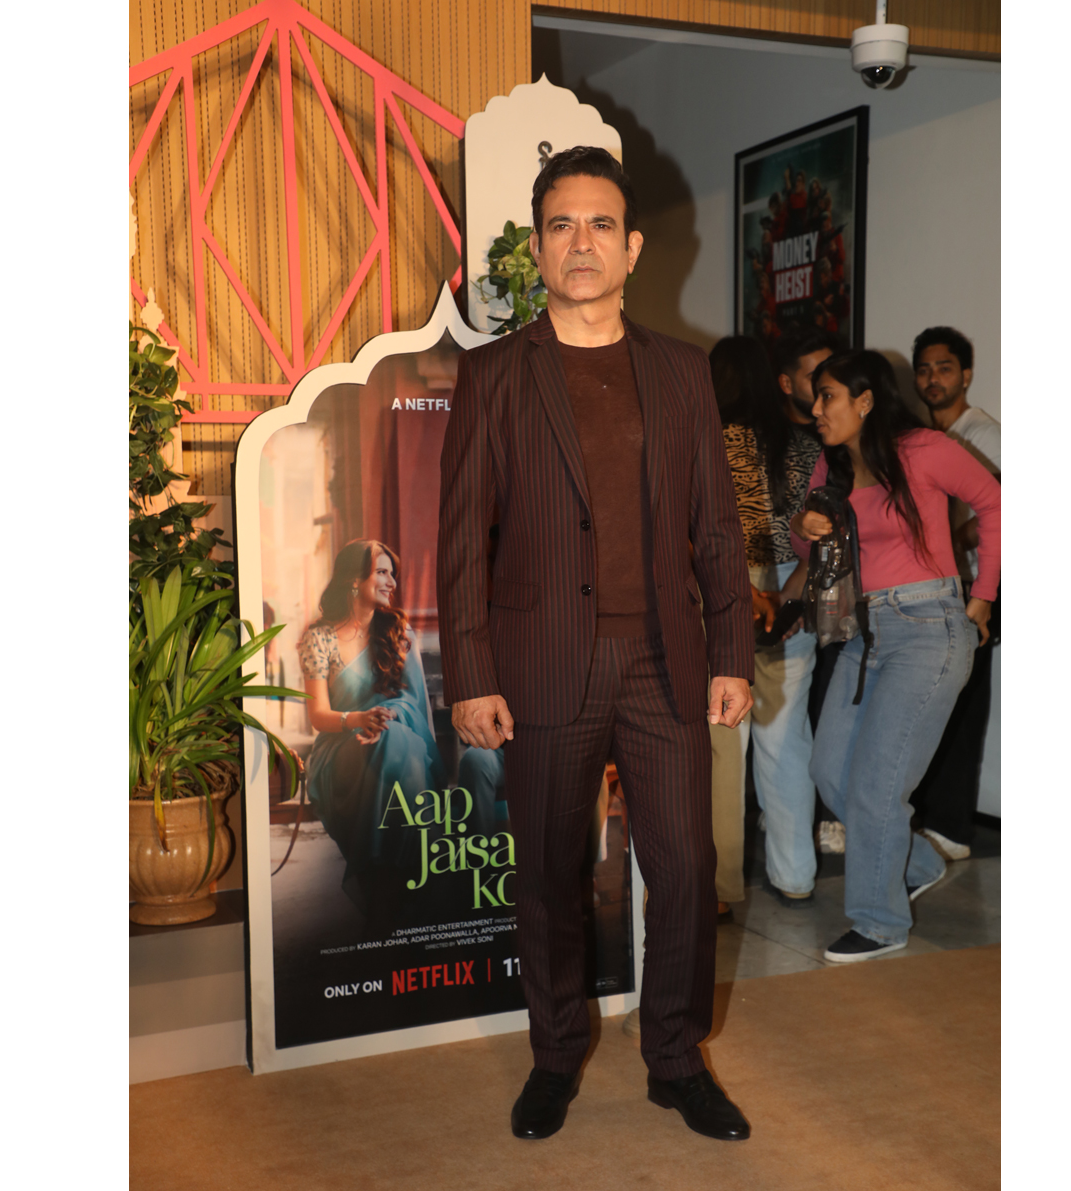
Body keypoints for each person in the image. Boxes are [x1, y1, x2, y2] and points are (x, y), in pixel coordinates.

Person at [438, 146, 755, 1142]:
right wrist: (471, 672)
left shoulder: (682, 371)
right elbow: (462, 540)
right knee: (547, 876)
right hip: (542, 665)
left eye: (601, 224)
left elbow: (715, 526)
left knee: (686, 869)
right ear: (538, 248)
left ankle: (676, 1061)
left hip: (666, 663)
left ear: (633, 248)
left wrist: (732, 653)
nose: (582, 242)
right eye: (562, 225)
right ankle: (554, 1055)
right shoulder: (494, 375)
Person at [793, 351, 1000, 963]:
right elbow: (816, 559)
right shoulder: (829, 468)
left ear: (864, 400)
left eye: (827, 395)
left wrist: (983, 596)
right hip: (863, 633)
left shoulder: (923, 449)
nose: (815, 408)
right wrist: (807, 531)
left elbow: (998, 504)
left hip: (926, 626)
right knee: (830, 772)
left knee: (878, 786)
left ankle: (880, 924)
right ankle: (916, 862)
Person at [712, 332, 829, 911]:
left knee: (722, 743)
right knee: (786, 739)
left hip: (725, 588)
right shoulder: (805, 446)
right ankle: (795, 875)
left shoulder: (702, 440)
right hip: (791, 590)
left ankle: (720, 887)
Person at [298, 539, 447, 916]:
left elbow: (413, 703)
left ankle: (389, 888)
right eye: (382, 572)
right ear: (354, 580)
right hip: (340, 750)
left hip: (397, 740)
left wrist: (386, 717)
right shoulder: (320, 637)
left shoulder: (398, 633)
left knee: (395, 742)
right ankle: (395, 886)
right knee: (393, 745)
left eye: (392, 574)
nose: (392, 582)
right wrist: (359, 720)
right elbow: (319, 715)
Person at [907, 327, 1001, 861]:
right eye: (924, 369)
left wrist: (964, 539)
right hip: (938, 586)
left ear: (965, 375)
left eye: (944, 368)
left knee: (963, 705)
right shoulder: (924, 436)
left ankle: (953, 829)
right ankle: (933, 816)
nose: (932, 378)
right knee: (937, 701)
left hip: (978, 586)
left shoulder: (982, 433)